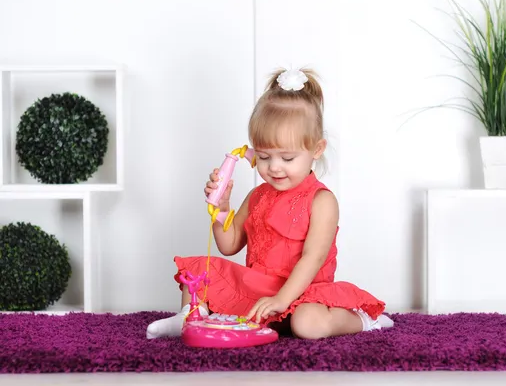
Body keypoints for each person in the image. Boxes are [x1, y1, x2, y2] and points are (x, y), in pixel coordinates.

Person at [146, 67, 393, 340]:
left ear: (316, 150)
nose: (274, 168)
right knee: (201, 270)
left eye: (287, 158)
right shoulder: (257, 196)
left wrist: (281, 300)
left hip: (304, 292)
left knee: (307, 325)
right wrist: (222, 209)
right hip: (260, 289)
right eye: (263, 157)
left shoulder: (322, 201)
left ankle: (362, 319)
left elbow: (313, 259)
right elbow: (229, 245)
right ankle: (190, 318)